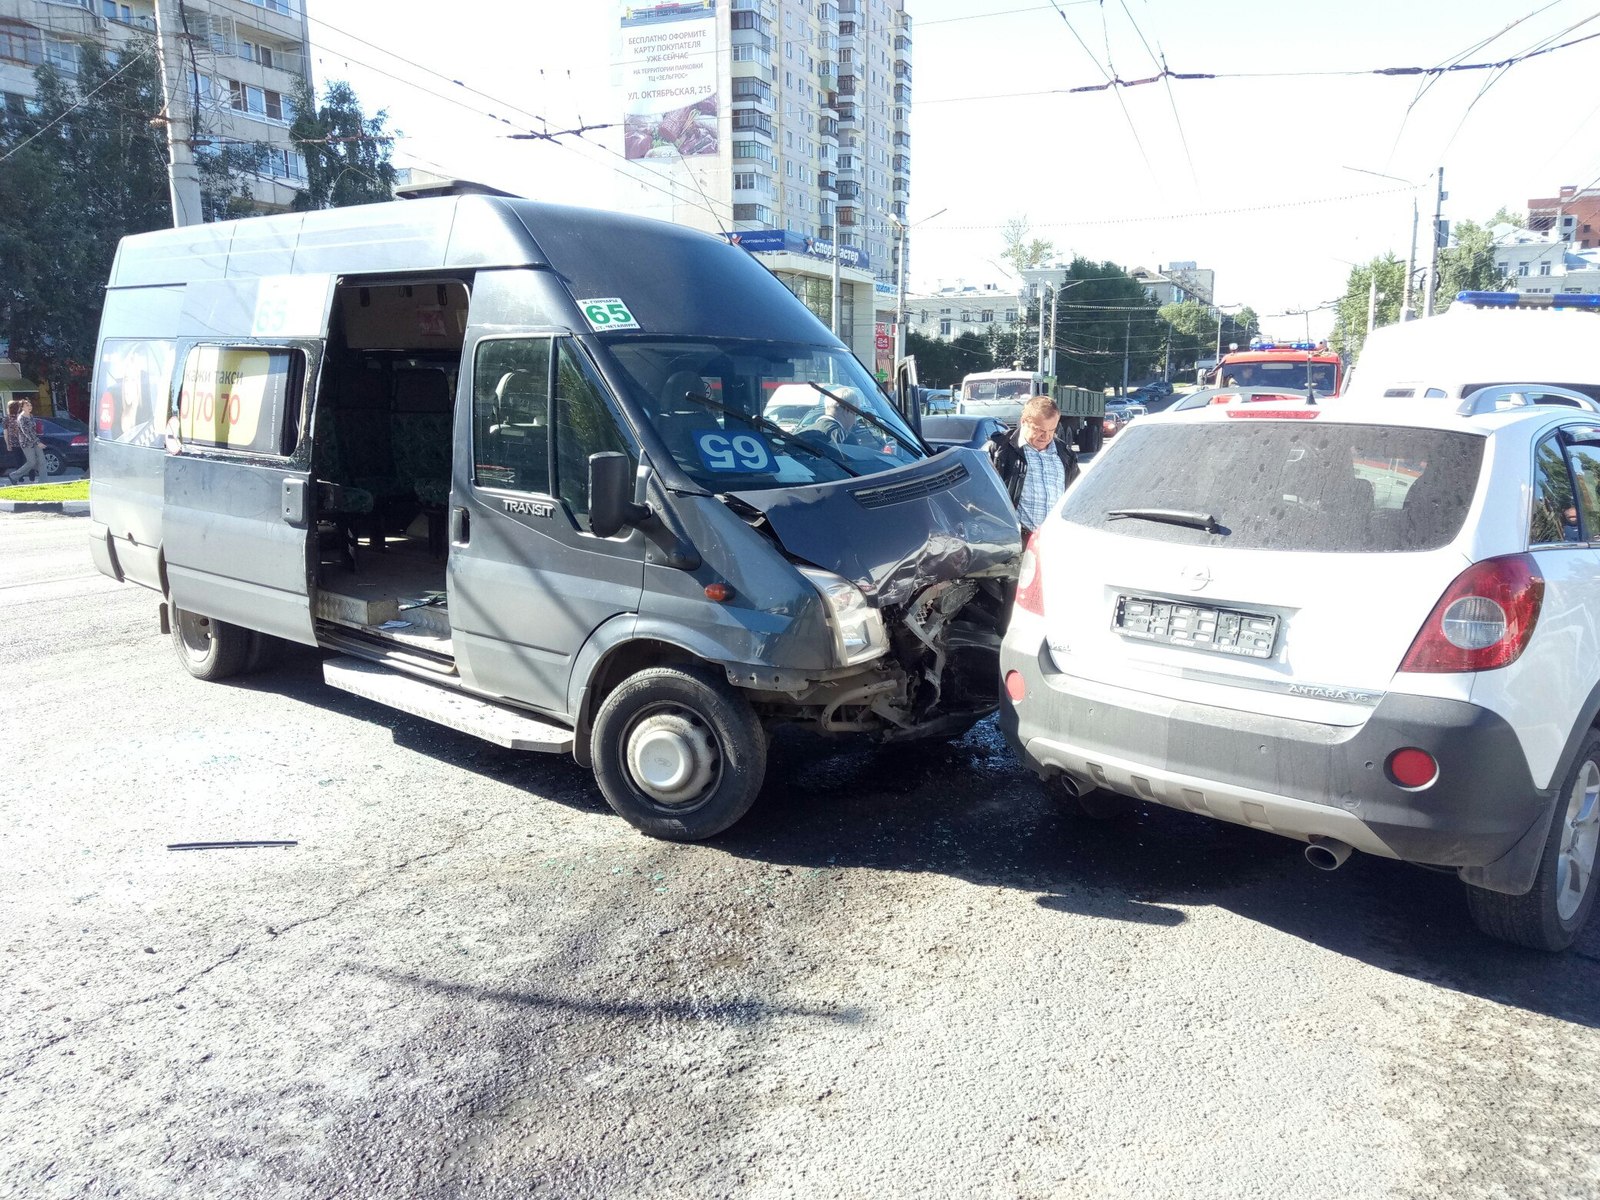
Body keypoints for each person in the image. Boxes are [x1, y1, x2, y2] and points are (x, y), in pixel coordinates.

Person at [986, 394, 1081, 536]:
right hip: (1015, 541)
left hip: (1054, 540)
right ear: (1024, 421)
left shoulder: (1065, 454)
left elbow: (1077, 495)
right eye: (1040, 430)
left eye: (1051, 430)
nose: (1046, 436)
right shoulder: (1000, 449)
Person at [5, 399, 49, 484]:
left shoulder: (31, 416)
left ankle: (44, 482)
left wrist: (37, 440)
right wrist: (37, 442)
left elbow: (33, 430)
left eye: (30, 405)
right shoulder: (21, 418)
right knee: (31, 462)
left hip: (35, 440)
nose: (30, 407)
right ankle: (13, 476)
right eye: (27, 405)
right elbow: (26, 432)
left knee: (42, 461)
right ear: (22, 408)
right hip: (26, 443)